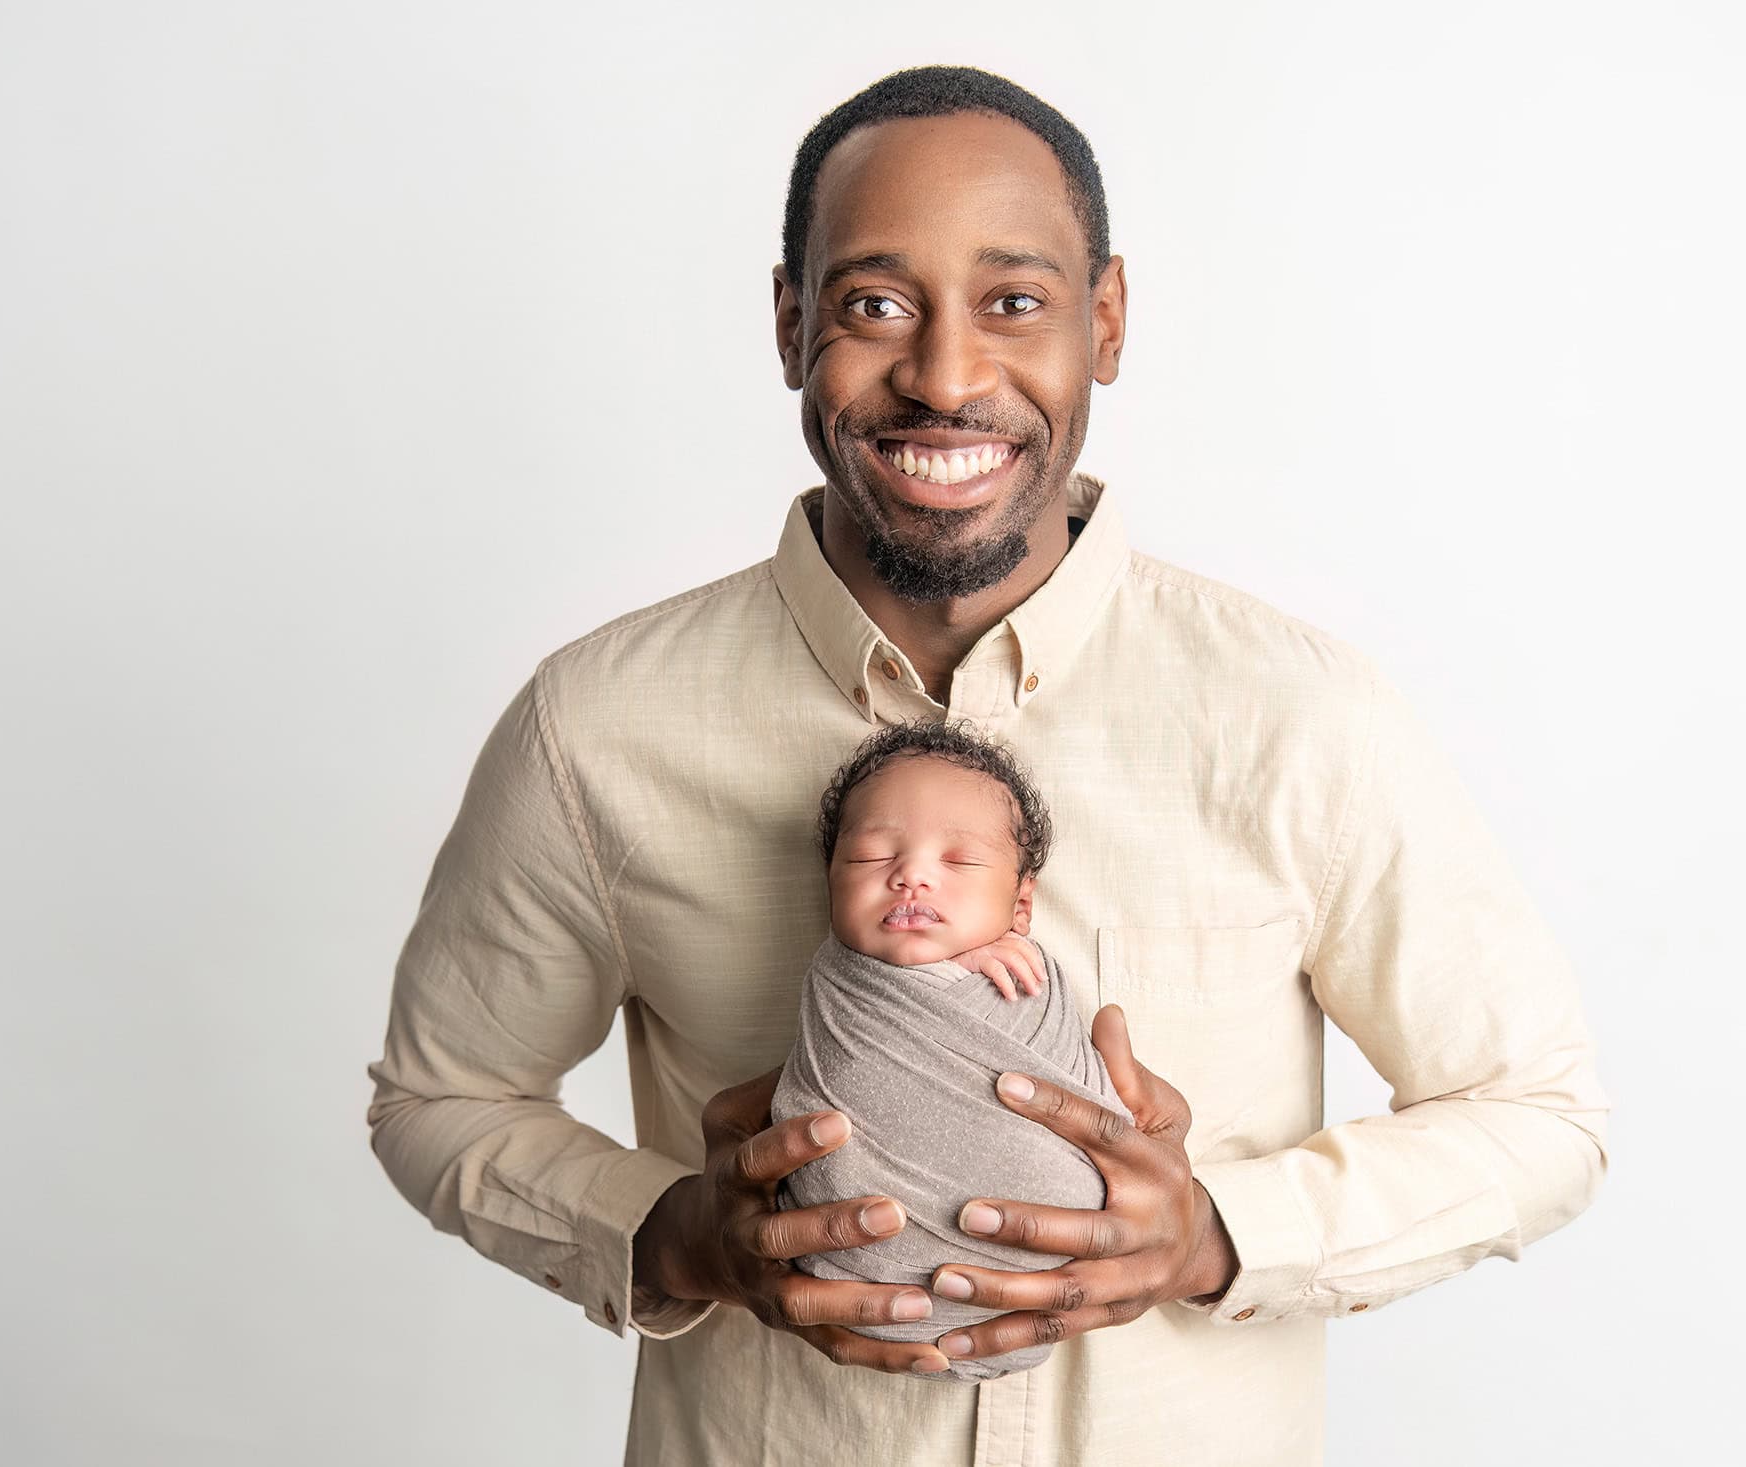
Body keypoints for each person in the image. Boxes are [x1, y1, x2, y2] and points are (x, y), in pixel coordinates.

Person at [364, 63, 1609, 1467]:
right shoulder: (595, 722)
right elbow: (439, 1095)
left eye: (1013, 300)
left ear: (1108, 321)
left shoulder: (1297, 712)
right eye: (874, 304)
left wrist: (1216, 1235)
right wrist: (675, 1236)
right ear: (789, 325)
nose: (946, 375)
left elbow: (1536, 1113)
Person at [772, 718, 1130, 1384]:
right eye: (871, 857)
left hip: (1054, 1282)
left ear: (1022, 907)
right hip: (852, 1278)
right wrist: (941, 973)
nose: (910, 875)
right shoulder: (835, 984)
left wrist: (979, 970)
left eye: (958, 861)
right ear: (828, 885)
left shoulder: (1030, 977)